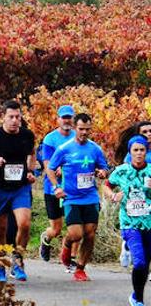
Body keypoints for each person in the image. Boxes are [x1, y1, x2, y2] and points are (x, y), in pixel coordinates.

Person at [46, 113, 108, 282]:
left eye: (87, 130)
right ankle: (66, 244)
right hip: (71, 197)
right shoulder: (64, 149)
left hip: (90, 197)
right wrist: (56, 187)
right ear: (75, 128)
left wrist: (103, 172)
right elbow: (50, 169)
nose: (84, 133)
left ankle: (80, 268)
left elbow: (103, 168)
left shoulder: (95, 149)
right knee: (76, 234)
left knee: (90, 234)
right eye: (81, 129)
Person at [0, 100, 36, 283]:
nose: (14, 120)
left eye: (17, 117)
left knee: (25, 224)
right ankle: (1, 264)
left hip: (20, 188)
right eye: (10, 117)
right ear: (3, 117)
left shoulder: (27, 135)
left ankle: (18, 261)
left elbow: (32, 154)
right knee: (1, 229)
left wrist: (30, 172)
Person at [106, 135, 151, 306]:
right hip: (129, 223)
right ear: (130, 152)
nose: (139, 153)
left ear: (146, 151)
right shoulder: (121, 171)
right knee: (139, 262)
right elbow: (107, 185)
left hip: (148, 223)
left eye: (142, 150)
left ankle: (135, 296)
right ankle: (138, 303)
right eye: (136, 150)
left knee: (145, 264)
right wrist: (112, 196)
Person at [36, 105, 78, 262]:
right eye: (64, 117)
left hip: (74, 189)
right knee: (56, 229)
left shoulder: (78, 136)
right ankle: (46, 238)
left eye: (69, 117)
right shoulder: (50, 139)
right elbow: (47, 165)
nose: (67, 120)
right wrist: (56, 171)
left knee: (76, 226)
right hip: (53, 188)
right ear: (58, 119)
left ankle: (71, 258)